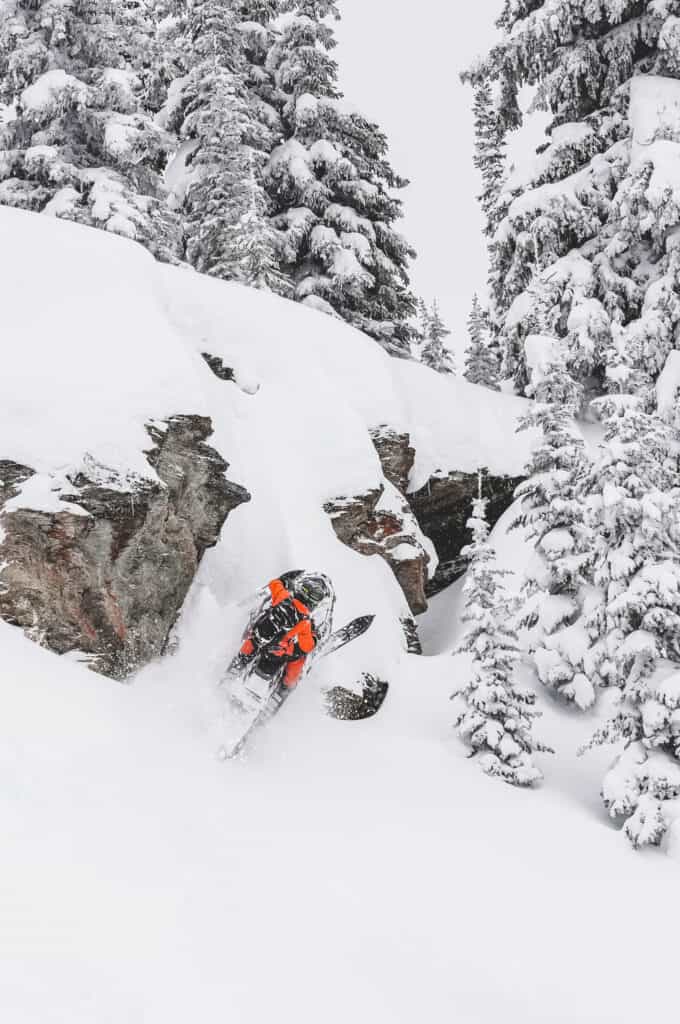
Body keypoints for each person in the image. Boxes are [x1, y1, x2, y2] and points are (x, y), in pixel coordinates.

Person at [235, 571, 334, 692]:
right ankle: (284, 687)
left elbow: (274, 583)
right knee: (298, 660)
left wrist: (285, 580)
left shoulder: (282, 596)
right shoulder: (306, 622)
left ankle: (239, 663)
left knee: (253, 638)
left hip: (259, 639)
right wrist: (315, 638)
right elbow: (306, 646)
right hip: (278, 654)